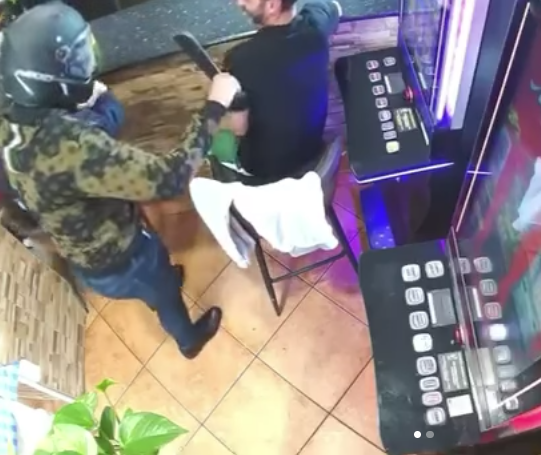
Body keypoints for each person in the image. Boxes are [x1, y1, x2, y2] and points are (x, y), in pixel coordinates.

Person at [0, 2, 242, 359]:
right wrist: (215, 105)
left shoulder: (13, 120)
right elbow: (170, 179)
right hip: (122, 258)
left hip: (88, 253)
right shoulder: (72, 146)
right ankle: (188, 339)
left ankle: (158, 285)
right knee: (163, 289)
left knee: (157, 276)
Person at [217, 0, 342, 184]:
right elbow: (334, 7)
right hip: (312, 159)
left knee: (218, 139)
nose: (239, 2)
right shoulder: (316, 29)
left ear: (272, 6)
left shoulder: (239, 59)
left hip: (260, 173)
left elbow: (239, 128)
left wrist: (219, 98)